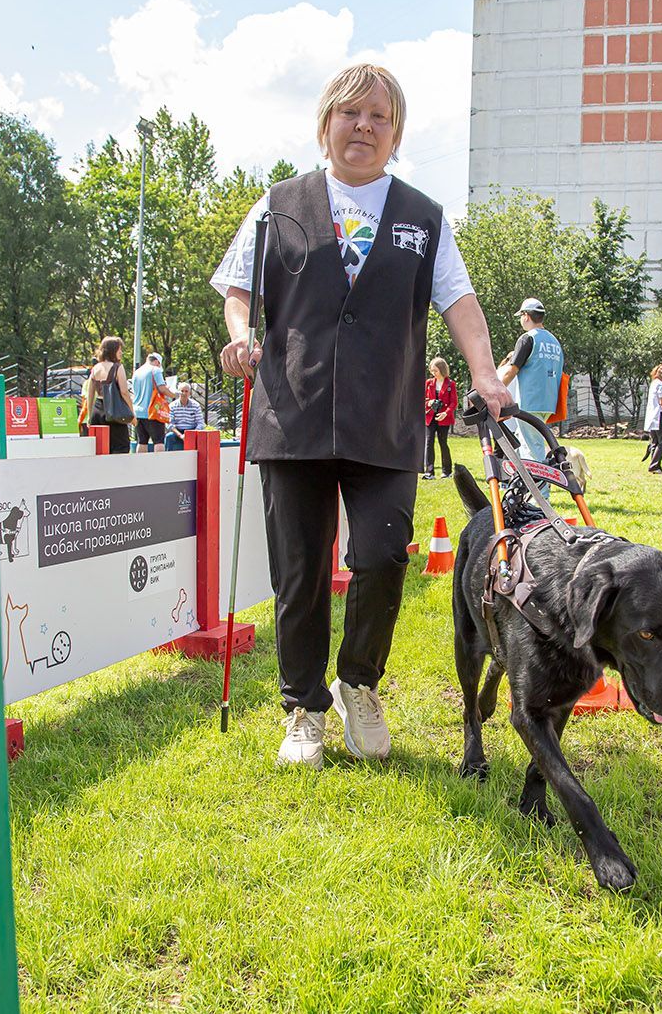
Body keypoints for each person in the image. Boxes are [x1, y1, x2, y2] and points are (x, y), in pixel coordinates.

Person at [211, 63, 513, 769]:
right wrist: (239, 332)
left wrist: (482, 370)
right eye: (351, 113)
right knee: (299, 570)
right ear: (325, 124)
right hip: (295, 416)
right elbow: (237, 289)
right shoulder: (277, 206)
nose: (364, 126)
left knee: (380, 556)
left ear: (397, 134)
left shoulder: (424, 217)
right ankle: (303, 708)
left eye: (379, 117)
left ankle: (359, 682)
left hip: (385, 421)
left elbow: (461, 306)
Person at [497, 298, 564, 473]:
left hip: (529, 401)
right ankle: (534, 491)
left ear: (526, 316)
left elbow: (512, 370)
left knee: (531, 451)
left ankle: (539, 496)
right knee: (533, 445)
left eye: (521, 316)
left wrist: (494, 392)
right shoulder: (554, 341)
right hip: (548, 402)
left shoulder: (528, 339)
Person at [85, 336, 136, 454]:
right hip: (114, 411)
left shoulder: (96, 368)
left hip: (97, 411)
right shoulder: (118, 367)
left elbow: (90, 393)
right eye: (119, 350)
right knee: (121, 447)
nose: (121, 353)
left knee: (99, 448)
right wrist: (132, 414)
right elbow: (124, 392)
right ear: (113, 351)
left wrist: (89, 415)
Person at [422, 357, 458, 479]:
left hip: (444, 418)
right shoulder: (428, 383)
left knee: (443, 443)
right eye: (432, 371)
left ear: (442, 370)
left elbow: (454, 403)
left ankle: (446, 471)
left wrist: (446, 413)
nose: (433, 373)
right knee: (428, 443)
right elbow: (422, 399)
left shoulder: (451, 384)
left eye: (435, 371)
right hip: (430, 417)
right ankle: (429, 472)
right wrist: (429, 403)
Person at [128, 352, 166, 452]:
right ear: (157, 362)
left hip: (138, 411)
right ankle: (159, 464)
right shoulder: (155, 370)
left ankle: (140, 465)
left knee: (142, 441)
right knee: (159, 441)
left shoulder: (137, 372)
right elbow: (162, 388)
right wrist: (174, 394)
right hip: (152, 411)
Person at [644, 362, 662, 473]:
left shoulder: (654, 383)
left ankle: (655, 465)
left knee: (655, 442)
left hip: (653, 417)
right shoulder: (660, 385)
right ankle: (654, 466)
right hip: (659, 417)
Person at [164, 383, 206, 451]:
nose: (184, 393)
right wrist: (180, 435)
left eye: (186, 391)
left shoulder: (196, 405)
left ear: (190, 393)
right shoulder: (172, 406)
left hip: (192, 430)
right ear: (178, 392)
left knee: (203, 438)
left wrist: (193, 434)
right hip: (177, 431)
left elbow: (200, 423)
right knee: (169, 437)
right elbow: (169, 423)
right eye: (182, 391)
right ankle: (168, 458)